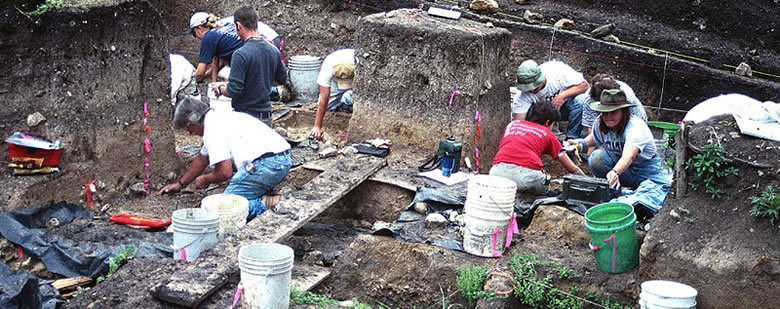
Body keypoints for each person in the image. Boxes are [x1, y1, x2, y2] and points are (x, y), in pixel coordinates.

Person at [159, 97, 291, 221]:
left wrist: (205, 179)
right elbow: (202, 159)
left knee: (223, 211)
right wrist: (181, 184)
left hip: (266, 164)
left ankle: (270, 204)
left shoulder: (212, 129)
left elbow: (224, 172)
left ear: (192, 121)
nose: (190, 133)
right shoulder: (218, 117)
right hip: (281, 159)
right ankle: (262, 195)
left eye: (188, 128)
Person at [568, 88, 670, 212]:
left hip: (645, 169)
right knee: (597, 158)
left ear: (623, 112)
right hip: (622, 169)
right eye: (605, 112)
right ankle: (612, 193)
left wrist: (615, 172)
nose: (608, 116)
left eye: (613, 112)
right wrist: (579, 144)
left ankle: (634, 199)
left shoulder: (635, 127)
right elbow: (594, 138)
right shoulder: (600, 123)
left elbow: (629, 155)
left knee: (665, 191)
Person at [211, 6, 287, 128]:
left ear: (238, 26)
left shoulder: (240, 54)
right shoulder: (273, 50)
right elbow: (281, 80)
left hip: (245, 118)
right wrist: (261, 82)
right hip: (266, 117)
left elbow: (234, 90)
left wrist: (220, 88)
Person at [490, 102, 585, 195]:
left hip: (496, 174)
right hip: (527, 179)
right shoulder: (547, 133)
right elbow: (573, 169)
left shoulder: (512, 125)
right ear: (548, 122)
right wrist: (587, 181)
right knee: (545, 183)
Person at [512, 60, 590, 139]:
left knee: (581, 101)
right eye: (528, 89)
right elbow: (519, 125)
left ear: (541, 79)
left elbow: (585, 85)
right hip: (540, 116)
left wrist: (562, 96)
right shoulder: (521, 95)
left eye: (535, 87)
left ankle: (572, 138)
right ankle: (540, 137)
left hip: (563, 108)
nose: (532, 91)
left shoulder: (557, 71)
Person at [577, 74, 647, 135]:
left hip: (631, 120)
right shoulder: (589, 98)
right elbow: (591, 127)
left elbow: (637, 127)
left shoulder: (627, 97)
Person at [310, 48, 356, 140]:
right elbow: (324, 98)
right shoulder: (328, 68)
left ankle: (348, 101)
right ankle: (343, 102)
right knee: (328, 106)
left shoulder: (359, 62)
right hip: (335, 81)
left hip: (356, 77)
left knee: (355, 99)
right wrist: (317, 126)